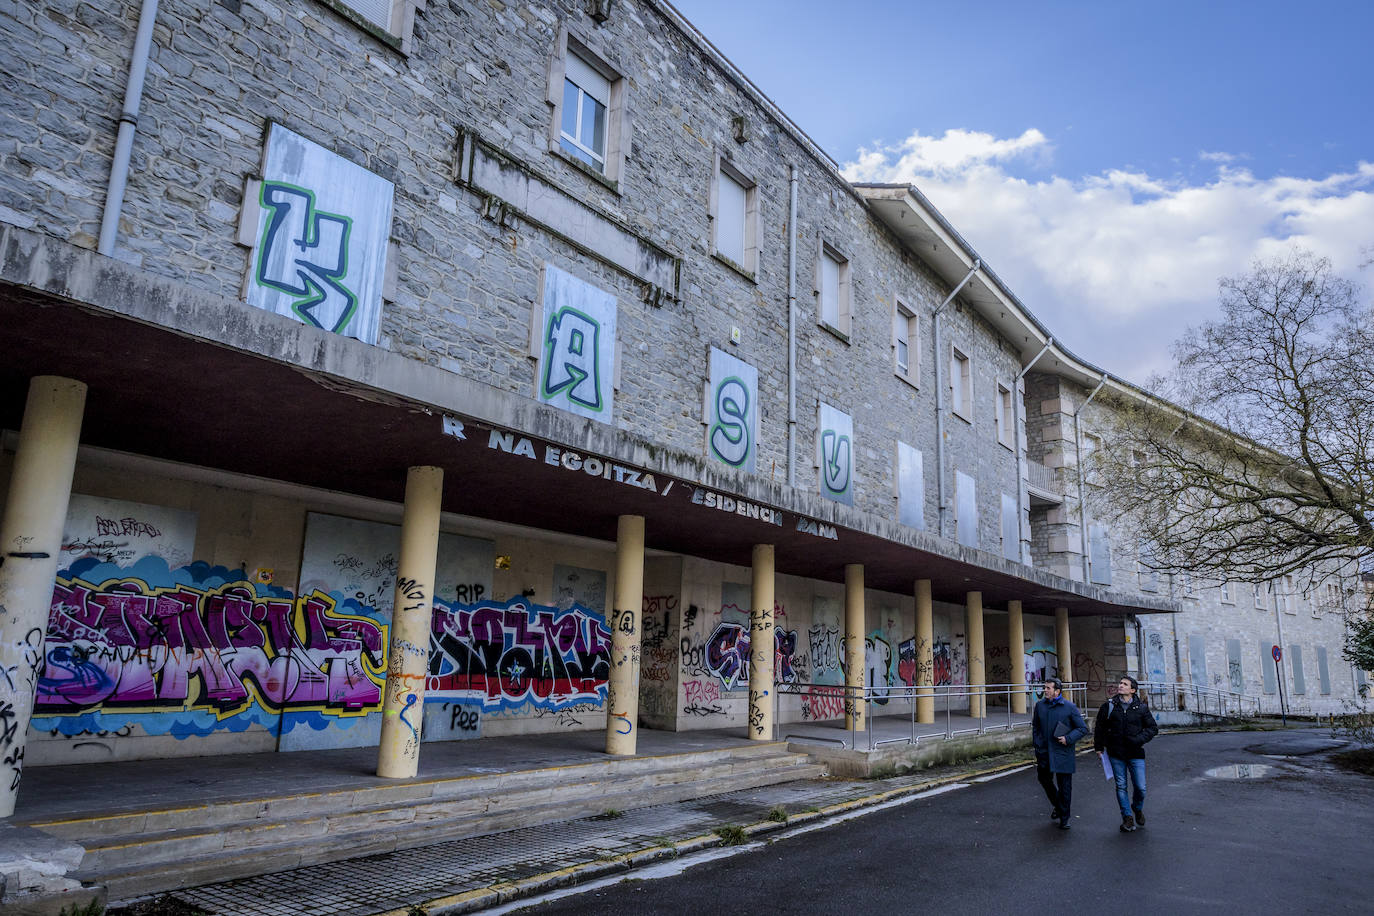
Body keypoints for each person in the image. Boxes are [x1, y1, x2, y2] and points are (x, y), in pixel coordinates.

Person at [1093, 675, 1159, 832]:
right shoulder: (1109, 706)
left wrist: (1138, 739)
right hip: (1115, 753)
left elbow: (1152, 728)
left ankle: (1136, 807)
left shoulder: (1141, 708)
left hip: (1135, 753)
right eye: (1120, 683)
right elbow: (1100, 727)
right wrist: (1099, 747)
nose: (1120, 686)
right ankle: (1127, 818)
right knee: (1121, 786)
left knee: (1140, 787)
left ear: (1132, 690)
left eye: (1125, 684)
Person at [1032, 676, 1089, 829]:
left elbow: (1083, 728)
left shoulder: (1069, 707)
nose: (1045, 690)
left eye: (1048, 688)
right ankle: (1059, 806)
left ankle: (1065, 817)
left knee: (1065, 785)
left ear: (1057, 691)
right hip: (1044, 752)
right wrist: (1037, 745)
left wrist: (1068, 738)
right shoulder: (1040, 706)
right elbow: (1036, 728)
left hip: (1063, 751)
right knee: (1044, 780)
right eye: (1045, 687)